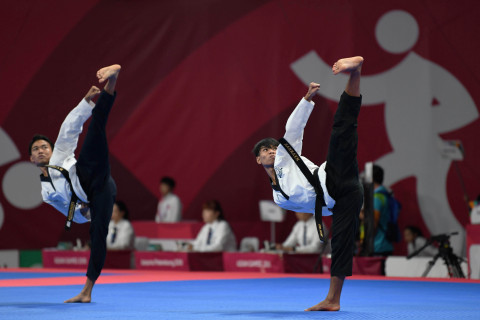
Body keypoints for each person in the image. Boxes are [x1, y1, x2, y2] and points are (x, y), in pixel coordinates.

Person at [253, 56, 364, 311]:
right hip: (342, 200)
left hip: (333, 176)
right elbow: (313, 209)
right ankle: (333, 300)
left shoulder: (285, 158)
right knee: (341, 245)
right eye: (265, 151)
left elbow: (293, 131)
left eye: (272, 147)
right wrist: (332, 212)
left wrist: (306, 100)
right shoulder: (279, 198)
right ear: (258, 161)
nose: (271, 151)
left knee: (343, 130)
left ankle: (355, 72)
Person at [29, 64, 121, 303]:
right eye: (35, 150)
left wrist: (85, 102)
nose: (40, 151)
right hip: (93, 195)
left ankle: (113, 78)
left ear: (50, 149)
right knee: (98, 233)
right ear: (31, 159)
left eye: (43, 147)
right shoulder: (46, 192)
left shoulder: (59, 152)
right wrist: (84, 214)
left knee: (96, 127)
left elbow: (70, 127)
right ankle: (87, 292)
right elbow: (69, 213)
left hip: (88, 172)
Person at [372, 165, 394, 256]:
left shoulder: (377, 197)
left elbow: (374, 222)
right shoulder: (385, 194)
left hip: (378, 245)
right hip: (384, 244)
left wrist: (365, 242)